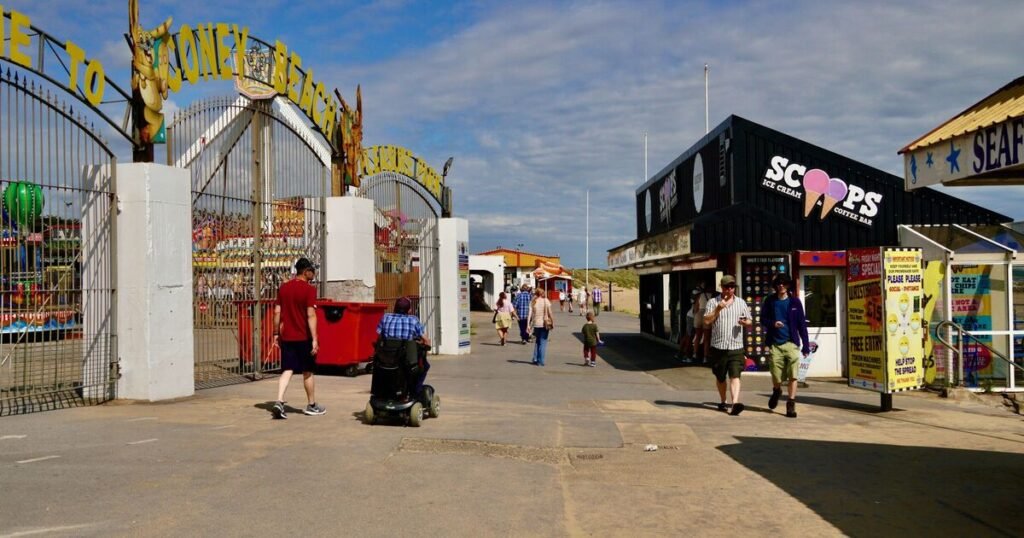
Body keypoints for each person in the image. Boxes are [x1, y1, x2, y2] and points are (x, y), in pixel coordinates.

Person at [271, 258, 324, 419]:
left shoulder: (284, 288)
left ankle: (279, 401)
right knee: (307, 371)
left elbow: (277, 312)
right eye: (312, 270)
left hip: (287, 336)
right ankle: (312, 405)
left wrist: (275, 334)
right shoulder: (309, 290)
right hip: (303, 337)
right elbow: (311, 315)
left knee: (287, 369)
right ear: (306, 271)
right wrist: (314, 338)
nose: (313, 274)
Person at [760, 273, 810, 418]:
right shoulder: (770, 301)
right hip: (775, 343)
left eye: (783, 283)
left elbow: (802, 325)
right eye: (778, 283)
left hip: (792, 343)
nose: (781, 286)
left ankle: (791, 403)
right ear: (775, 286)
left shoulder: (795, 302)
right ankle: (777, 390)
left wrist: (805, 346)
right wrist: (773, 324)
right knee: (776, 375)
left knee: (793, 375)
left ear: (788, 285)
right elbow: (763, 319)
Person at [703, 275, 752, 416]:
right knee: (720, 377)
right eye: (727, 287)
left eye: (732, 287)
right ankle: (723, 400)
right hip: (719, 346)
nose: (730, 289)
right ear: (722, 287)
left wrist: (745, 322)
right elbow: (706, 321)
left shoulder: (741, 302)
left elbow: (749, 321)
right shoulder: (713, 302)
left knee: (735, 375)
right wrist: (718, 309)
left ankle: (735, 403)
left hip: (736, 346)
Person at [377, 296, 432, 397]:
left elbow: (379, 336)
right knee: (425, 366)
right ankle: (416, 391)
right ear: (410, 310)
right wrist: (426, 347)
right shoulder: (413, 320)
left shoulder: (385, 318)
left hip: (387, 359)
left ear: (394, 307)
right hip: (407, 361)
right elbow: (426, 340)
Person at [527, 287, 554, 366]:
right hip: (544, 324)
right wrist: (552, 321)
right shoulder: (546, 301)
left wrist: (528, 325)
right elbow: (550, 313)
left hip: (536, 324)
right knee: (543, 342)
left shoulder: (533, 301)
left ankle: (536, 358)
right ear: (542, 293)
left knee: (538, 341)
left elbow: (529, 314)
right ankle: (541, 361)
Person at [675, 288, 701, 361]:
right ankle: (687, 355)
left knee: (687, 335)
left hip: (691, 315)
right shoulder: (696, 292)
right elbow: (695, 307)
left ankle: (680, 353)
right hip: (692, 317)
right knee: (690, 336)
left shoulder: (696, 292)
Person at [693, 282, 714, 363]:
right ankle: (705, 357)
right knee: (706, 338)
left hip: (699, 314)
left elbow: (696, 308)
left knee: (698, 336)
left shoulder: (700, 295)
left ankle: (695, 354)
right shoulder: (712, 296)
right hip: (707, 315)